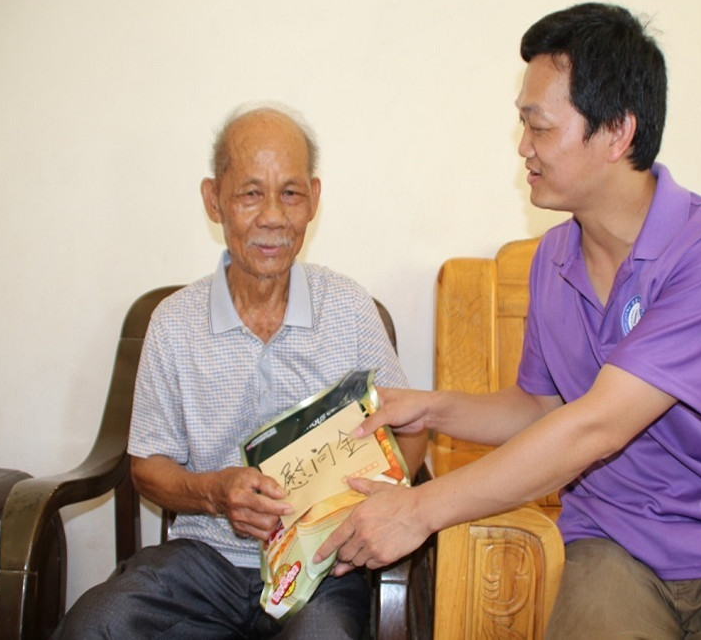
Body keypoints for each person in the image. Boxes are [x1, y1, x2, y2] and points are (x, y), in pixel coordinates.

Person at [316, 3, 701, 638]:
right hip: (613, 542)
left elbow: (596, 426)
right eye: (523, 124)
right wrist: (434, 408)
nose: (523, 147)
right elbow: (543, 405)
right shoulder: (553, 258)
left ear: (616, 133)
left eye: (540, 127)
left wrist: (419, 510)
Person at [52, 104, 427, 639]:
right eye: (251, 194)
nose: (273, 216)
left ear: (313, 199)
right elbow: (147, 466)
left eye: (290, 193)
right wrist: (215, 493)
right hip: (203, 562)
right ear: (214, 200)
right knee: (98, 625)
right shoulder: (175, 323)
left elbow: (410, 430)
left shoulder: (348, 309)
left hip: (322, 567)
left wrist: (366, 510)